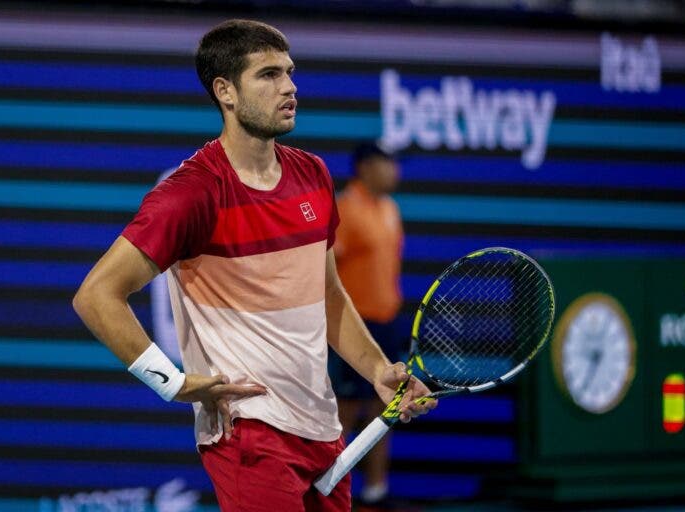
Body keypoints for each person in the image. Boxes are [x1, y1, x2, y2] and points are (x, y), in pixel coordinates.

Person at [72, 19, 435, 512]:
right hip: (249, 436)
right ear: (225, 92)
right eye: (268, 75)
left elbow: (327, 293)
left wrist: (376, 369)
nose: (289, 86)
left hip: (322, 429)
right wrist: (172, 382)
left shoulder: (312, 173)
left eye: (289, 72)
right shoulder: (192, 193)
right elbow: (96, 294)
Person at [329, 143, 405, 506]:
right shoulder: (345, 209)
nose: (395, 171)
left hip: (388, 323)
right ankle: (329, 492)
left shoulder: (390, 209)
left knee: (384, 410)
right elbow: (324, 272)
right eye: (387, 164)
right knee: (344, 414)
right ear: (365, 167)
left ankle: (376, 493)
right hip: (352, 328)